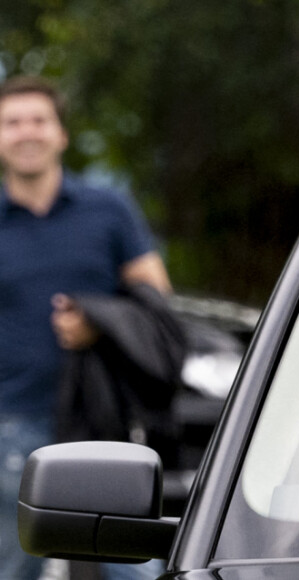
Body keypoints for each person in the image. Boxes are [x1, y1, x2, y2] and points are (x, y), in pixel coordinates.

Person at [0, 74, 172, 579]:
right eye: (12, 122)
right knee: (13, 567)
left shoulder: (108, 209)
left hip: (101, 421)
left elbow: (155, 300)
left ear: (61, 134)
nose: (26, 132)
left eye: (39, 120)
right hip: (11, 422)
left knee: (130, 564)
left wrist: (98, 321)